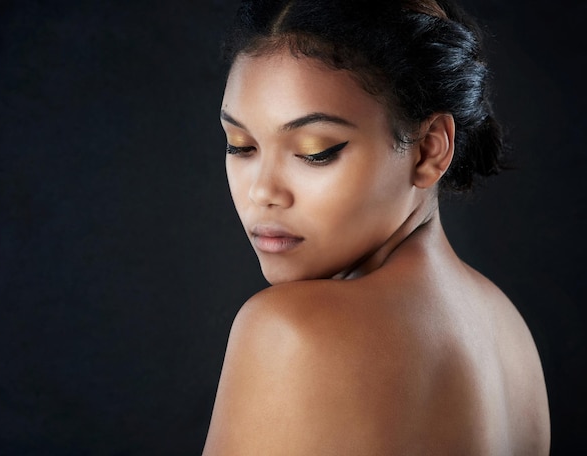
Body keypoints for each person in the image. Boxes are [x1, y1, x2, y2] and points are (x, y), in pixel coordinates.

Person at [203, 0, 550, 454]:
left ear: (429, 150)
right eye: (241, 146)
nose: (262, 191)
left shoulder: (290, 330)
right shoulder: (507, 331)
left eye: (315, 151)